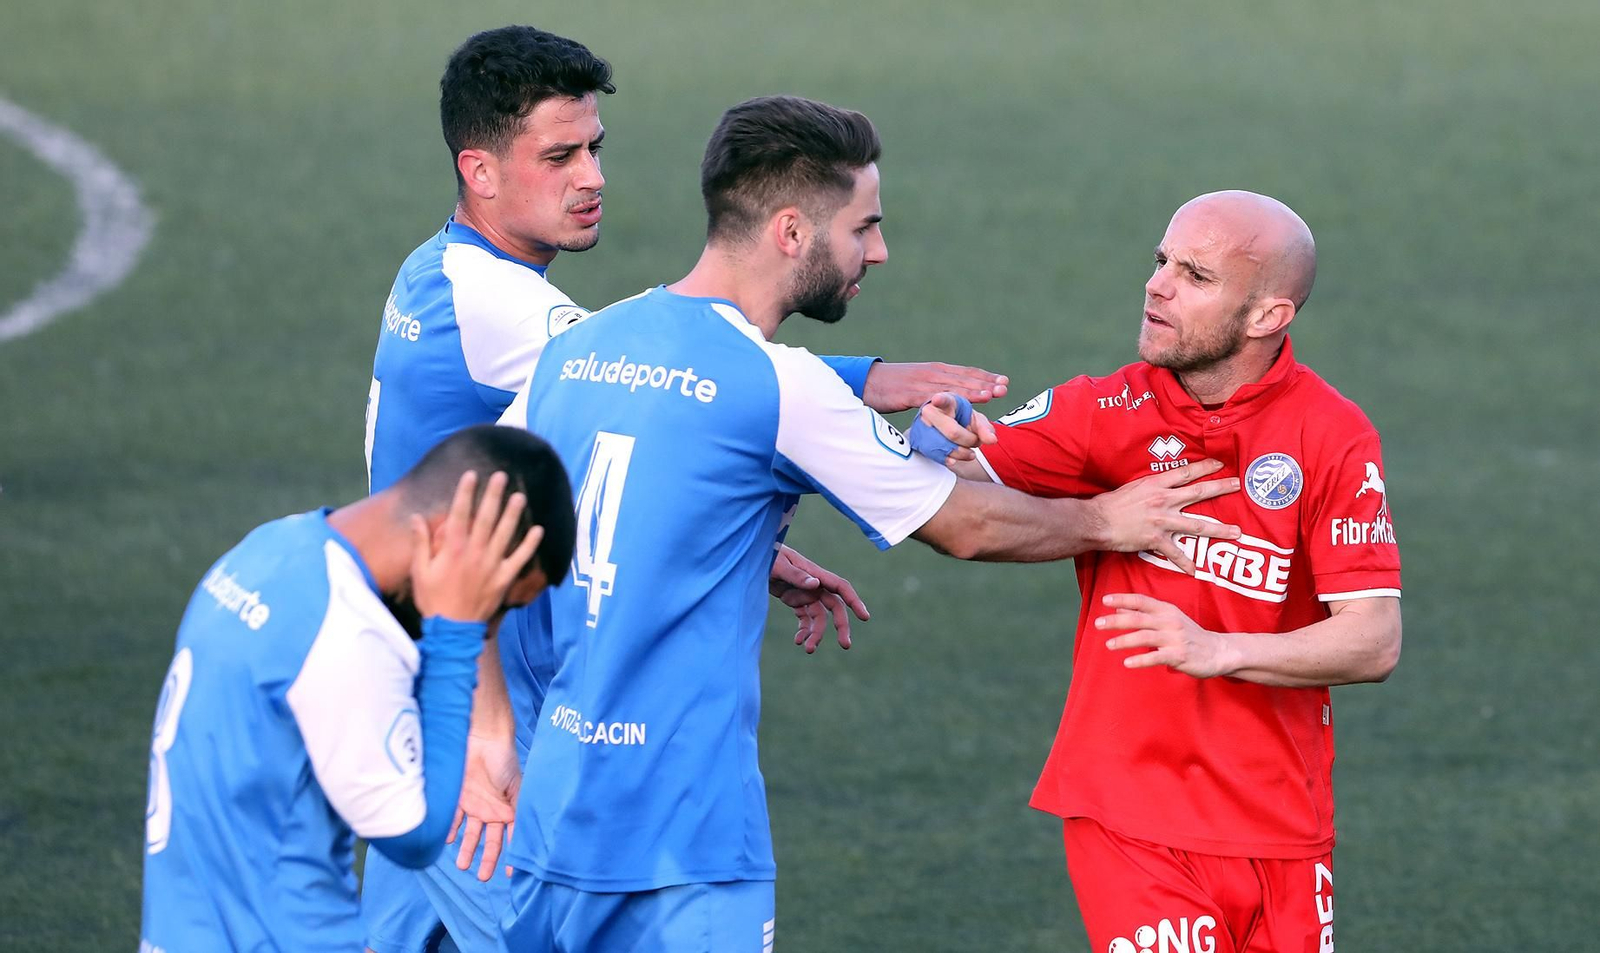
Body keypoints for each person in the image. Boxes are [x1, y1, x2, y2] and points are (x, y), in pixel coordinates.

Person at [494, 94, 1243, 952]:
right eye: (863, 226)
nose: (878, 251)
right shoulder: (780, 384)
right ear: (789, 232)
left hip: (551, 820)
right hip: (683, 839)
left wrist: (745, 548)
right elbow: (964, 525)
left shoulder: (582, 347)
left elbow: (519, 521)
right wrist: (1108, 518)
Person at [361, 25, 1017, 953]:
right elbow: (669, 385)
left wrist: (762, 543)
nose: (591, 176)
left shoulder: (436, 273)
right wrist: (864, 377)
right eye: (559, 156)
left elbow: (639, 438)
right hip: (464, 698)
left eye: (595, 147)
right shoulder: (507, 309)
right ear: (480, 169)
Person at [948, 191, 1402, 952]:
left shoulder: (1332, 434)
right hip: (1131, 816)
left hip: (1283, 825)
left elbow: (1374, 640)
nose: (1157, 285)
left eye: (1196, 275)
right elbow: (954, 491)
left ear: (1267, 317)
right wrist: (941, 444)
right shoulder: (1103, 411)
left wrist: (1218, 649)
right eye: (1161, 262)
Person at [139, 425, 576, 953]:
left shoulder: (271, 549)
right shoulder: (349, 632)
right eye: (498, 603)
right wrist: (454, 638)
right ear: (447, 538)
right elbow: (415, 835)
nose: (489, 627)